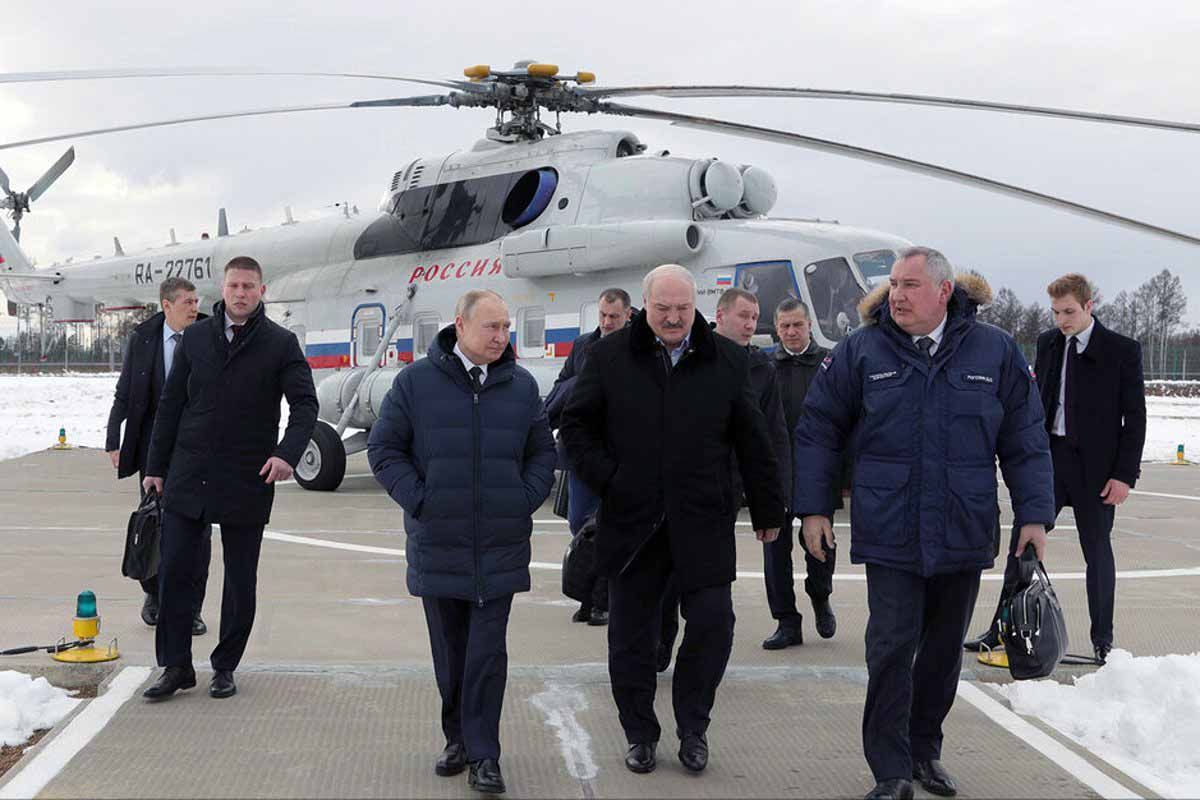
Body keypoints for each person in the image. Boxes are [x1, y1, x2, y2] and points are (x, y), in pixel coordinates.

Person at [793, 248, 1054, 800]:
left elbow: (1026, 436)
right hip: (891, 528)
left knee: (942, 649)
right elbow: (818, 428)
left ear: (943, 292)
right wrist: (814, 507)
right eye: (893, 285)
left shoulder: (996, 351)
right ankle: (890, 769)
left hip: (963, 524)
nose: (897, 295)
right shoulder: (862, 350)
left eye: (910, 285)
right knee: (890, 646)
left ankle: (924, 751)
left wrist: (1034, 513)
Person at [560, 264, 785, 776]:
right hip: (633, 524)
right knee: (632, 639)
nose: (674, 318)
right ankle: (639, 732)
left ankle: (693, 728)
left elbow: (754, 438)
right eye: (663, 309)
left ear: (696, 306)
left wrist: (769, 507)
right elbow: (576, 426)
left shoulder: (727, 360)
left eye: (683, 308)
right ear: (646, 306)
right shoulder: (609, 356)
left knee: (713, 625)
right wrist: (610, 479)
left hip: (702, 521)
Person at [368, 289, 556, 796]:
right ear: (461, 326)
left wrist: (522, 498)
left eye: (506, 329)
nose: (501, 337)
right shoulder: (415, 383)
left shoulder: (521, 388)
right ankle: (457, 738)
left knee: (487, 654)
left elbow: (544, 453)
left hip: (500, 545)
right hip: (440, 543)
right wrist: (421, 499)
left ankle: (484, 755)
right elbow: (384, 450)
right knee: (451, 653)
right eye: (491, 327)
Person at [141, 256, 318, 702]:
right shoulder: (196, 337)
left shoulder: (281, 343)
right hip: (189, 473)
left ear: (262, 291)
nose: (241, 293)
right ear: (223, 288)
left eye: (250, 286)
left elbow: (305, 406)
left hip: (248, 475)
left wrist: (286, 454)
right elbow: (171, 404)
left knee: (240, 580)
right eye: (234, 285)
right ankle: (176, 666)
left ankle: (225, 666)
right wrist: (156, 468)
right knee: (176, 573)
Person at [965, 273, 1145, 665]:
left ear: (1088, 306)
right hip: (1050, 462)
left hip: (1097, 472)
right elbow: (1034, 404)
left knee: (1097, 552)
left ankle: (1103, 640)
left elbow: (1136, 418)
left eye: (1069, 311)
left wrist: (1124, 476)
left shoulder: (1121, 350)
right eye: (1056, 312)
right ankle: (1001, 628)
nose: (1061, 319)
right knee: (1022, 547)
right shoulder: (1049, 343)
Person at [658, 288, 790, 668]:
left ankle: (698, 653)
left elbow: (772, 435)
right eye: (743, 316)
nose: (750, 324)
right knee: (666, 574)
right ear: (720, 315)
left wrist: (774, 496)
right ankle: (661, 638)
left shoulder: (763, 369)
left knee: (709, 585)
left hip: (724, 492)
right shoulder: (693, 357)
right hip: (683, 486)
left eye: (754, 317)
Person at [105, 277, 210, 635]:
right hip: (153, 449)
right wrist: (112, 440)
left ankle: (192, 608)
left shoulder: (209, 333)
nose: (194, 308)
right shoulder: (144, 339)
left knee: (198, 531)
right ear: (167, 305)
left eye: (196, 301)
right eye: (187, 303)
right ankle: (153, 594)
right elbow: (125, 392)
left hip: (198, 448)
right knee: (152, 524)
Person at [545, 287, 633, 626]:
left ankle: (601, 600)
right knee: (579, 523)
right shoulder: (583, 346)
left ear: (628, 314)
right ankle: (589, 591)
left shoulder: (637, 347)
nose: (608, 322)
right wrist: (585, 381)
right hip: (581, 452)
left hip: (619, 454)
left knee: (608, 525)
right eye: (603, 316)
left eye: (614, 316)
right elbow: (561, 387)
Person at [763, 297, 840, 649]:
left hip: (817, 470)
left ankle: (820, 596)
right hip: (774, 472)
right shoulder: (764, 366)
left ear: (809, 324)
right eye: (784, 326)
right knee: (774, 551)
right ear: (776, 329)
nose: (791, 332)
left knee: (821, 545)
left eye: (797, 325)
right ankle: (786, 622)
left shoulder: (831, 363)